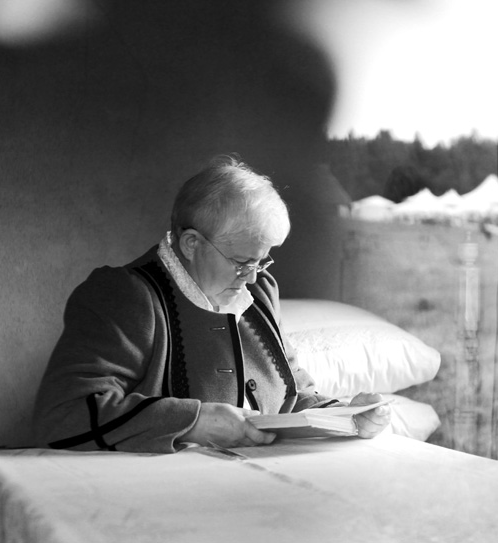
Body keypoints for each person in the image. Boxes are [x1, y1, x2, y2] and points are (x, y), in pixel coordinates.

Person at [32, 155, 390, 453]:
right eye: (242, 262)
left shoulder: (260, 294)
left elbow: (292, 398)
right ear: (191, 243)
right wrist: (193, 423)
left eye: (262, 261)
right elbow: (64, 414)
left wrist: (346, 415)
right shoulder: (125, 294)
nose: (253, 277)